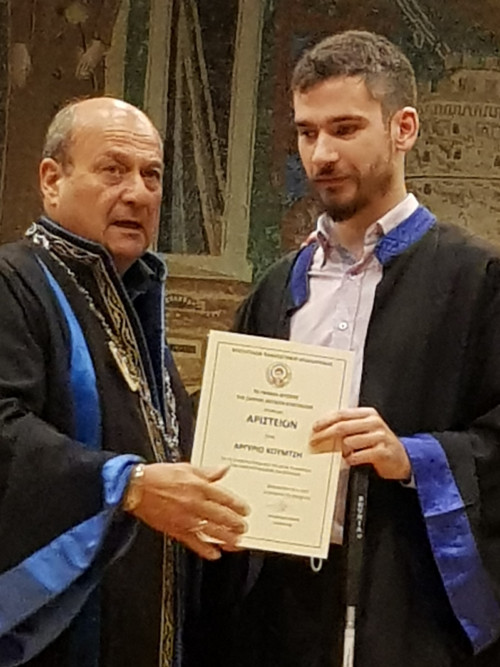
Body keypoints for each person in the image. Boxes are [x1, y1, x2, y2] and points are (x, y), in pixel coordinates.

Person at [192, 31, 500, 667]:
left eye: (345, 128)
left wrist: (413, 456)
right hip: (278, 609)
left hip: (407, 607)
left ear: (403, 128)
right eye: (307, 133)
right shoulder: (277, 288)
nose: (322, 154)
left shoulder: (477, 280)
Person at [0, 96, 249, 667]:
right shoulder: (13, 283)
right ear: (51, 180)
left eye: (152, 175)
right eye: (113, 170)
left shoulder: (133, 304)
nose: (138, 193)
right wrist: (126, 485)